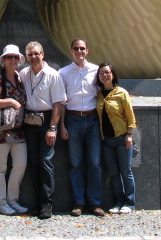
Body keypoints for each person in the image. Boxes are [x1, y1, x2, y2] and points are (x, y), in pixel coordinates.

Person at [20, 41, 66, 219]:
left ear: (43, 54)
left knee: (45, 161)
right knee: (33, 162)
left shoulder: (53, 75)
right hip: (28, 122)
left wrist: (53, 127)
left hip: (47, 121)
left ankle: (47, 202)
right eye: (30, 54)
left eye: (36, 53)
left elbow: (58, 103)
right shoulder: (23, 74)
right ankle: (38, 202)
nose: (34, 57)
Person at [59, 38, 104, 217]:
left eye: (82, 48)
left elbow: (103, 93)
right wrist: (61, 125)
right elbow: (61, 101)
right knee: (75, 163)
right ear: (71, 51)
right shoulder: (63, 73)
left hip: (93, 120)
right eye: (76, 48)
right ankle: (78, 202)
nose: (79, 51)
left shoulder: (96, 70)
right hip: (73, 119)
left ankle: (95, 202)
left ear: (88, 50)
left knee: (94, 162)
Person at [0, 44, 28, 215]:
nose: (13, 60)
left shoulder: (20, 77)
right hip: (1, 130)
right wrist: (10, 101)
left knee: (20, 164)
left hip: (19, 130)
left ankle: (13, 199)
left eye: (15, 57)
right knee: (0, 166)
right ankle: (0, 202)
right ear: (3, 60)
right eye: (9, 57)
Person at [96, 62, 137, 214]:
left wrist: (129, 135)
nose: (104, 75)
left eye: (107, 72)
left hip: (121, 138)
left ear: (112, 74)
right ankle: (119, 202)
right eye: (101, 73)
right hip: (106, 140)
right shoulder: (99, 95)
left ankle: (130, 202)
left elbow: (131, 115)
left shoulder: (121, 93)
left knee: (126, 172)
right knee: (113, 174)